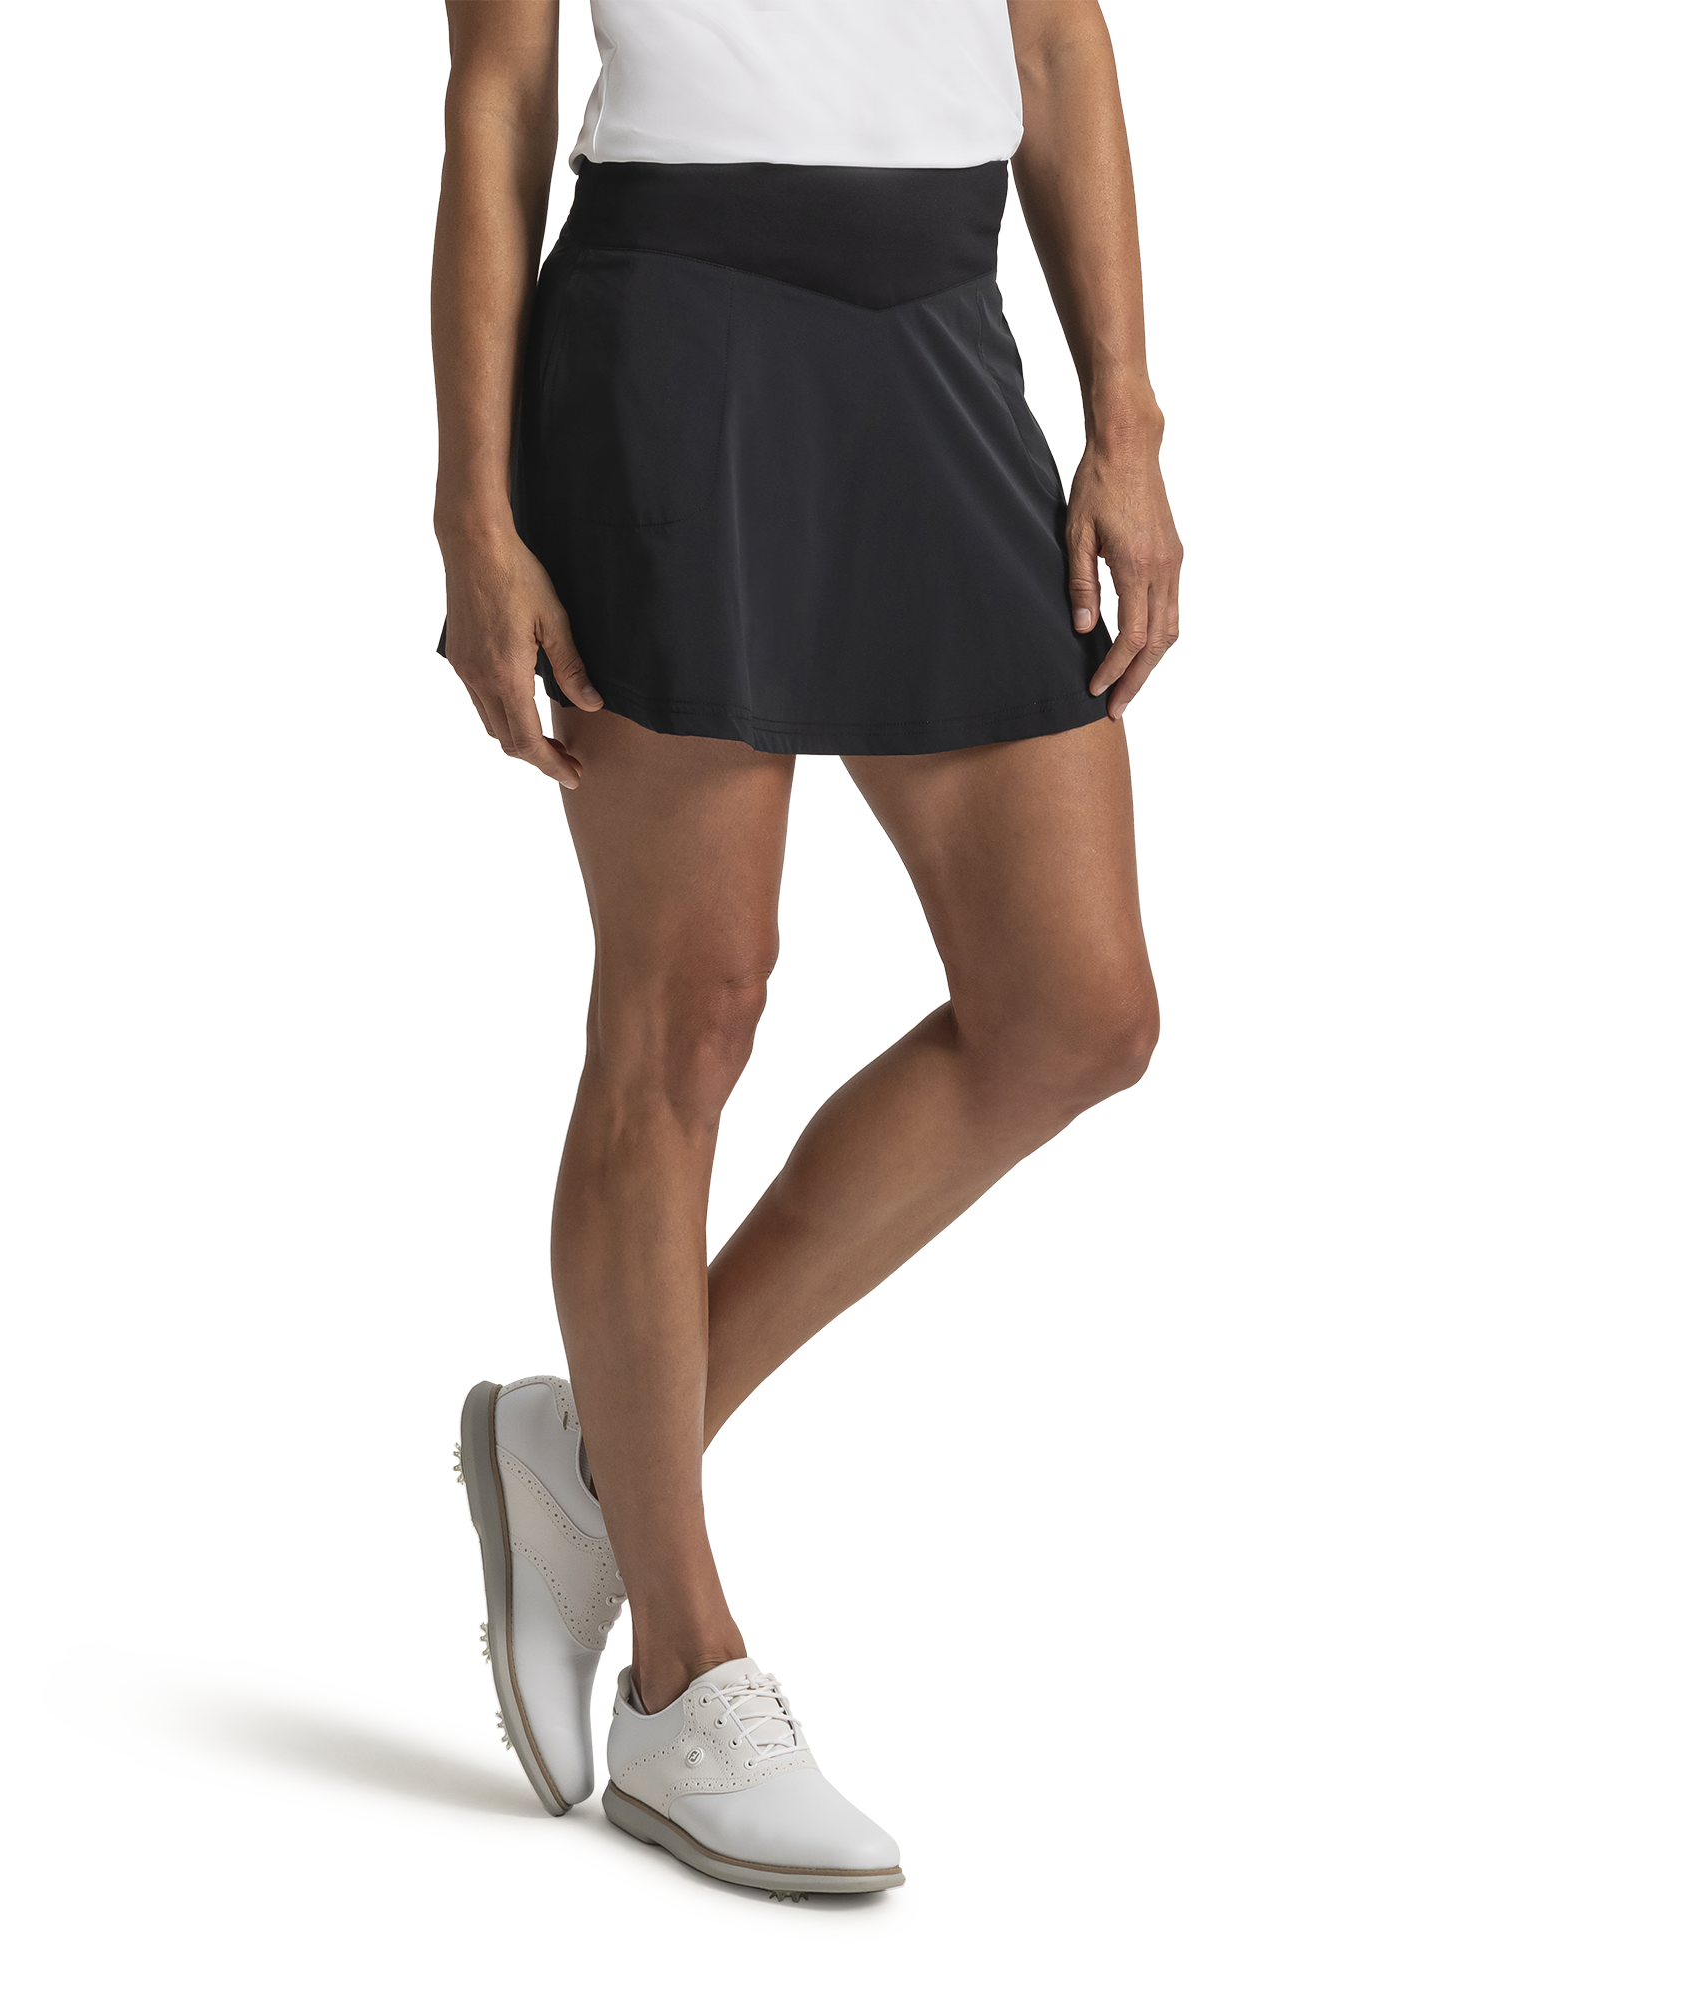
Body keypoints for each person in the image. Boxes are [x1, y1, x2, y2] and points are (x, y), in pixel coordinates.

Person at [434, 0, 1182, 1896]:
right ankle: (682, 1675)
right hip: (673, 328)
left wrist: (1124, 415)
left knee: (1073, 1008)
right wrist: (475, 515)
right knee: (686, 1017)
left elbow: (1056, 39)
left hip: (935, 321)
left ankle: (593, 1456)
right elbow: (499, 93)